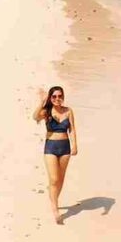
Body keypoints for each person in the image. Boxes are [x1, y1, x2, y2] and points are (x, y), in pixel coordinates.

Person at [33, 85, 78, 224]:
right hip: (51, 147)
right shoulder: (46, 112)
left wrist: (75, 145)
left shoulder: (69, 111)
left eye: (60, 96)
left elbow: (72, 129)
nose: (57, 99)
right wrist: (42, 102)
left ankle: (54, 199)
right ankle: (55, 208)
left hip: (65, 148)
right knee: (53, 179)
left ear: (63, 97)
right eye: (54, 96)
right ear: (50, 98)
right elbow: (35, 117)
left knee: (60, 179)